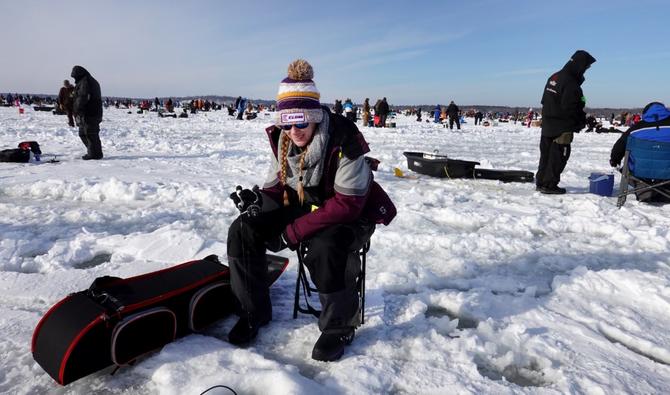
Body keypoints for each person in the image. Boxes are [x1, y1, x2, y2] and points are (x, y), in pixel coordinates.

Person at [226, 59, 396, 362]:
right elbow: (276, 188)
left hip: (350, 215)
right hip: (305, 205)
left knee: (325, 246)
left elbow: (347, 205)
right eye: (287, 123)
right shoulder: (282, 141)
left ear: (315, 117)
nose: (294, 131)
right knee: (243, 229)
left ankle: (338, 326)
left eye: (301, 122)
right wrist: (258, 203)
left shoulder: (345, 139)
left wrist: (291, 232)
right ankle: (253, 312)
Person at [535, 50, 596, 194]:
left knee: (546, 155)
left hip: (548, 124)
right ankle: (549, 185)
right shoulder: (570, 83)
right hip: (562, 126)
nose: (586, 70)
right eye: (586, 67)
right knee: (559, 155)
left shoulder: (554, 77)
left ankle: (541, 182)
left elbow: (544, 101)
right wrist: (579, 122)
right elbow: (571, 108)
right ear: (580, 65)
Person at [609, 102, 670, 203]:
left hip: (640, 171)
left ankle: (645, 190)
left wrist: (614, 160)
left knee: (636, 168)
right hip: (668, 170)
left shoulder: (635, 129)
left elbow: (618, 147)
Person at [71, 65, 103, 160]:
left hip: (90, 113)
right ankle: (94, 152)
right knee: (84, 133)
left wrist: (76, 109)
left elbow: (82, 97)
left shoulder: (86, 82)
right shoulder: (85, 81)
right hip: (89, 113)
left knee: (90, 134)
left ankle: (94, 154)